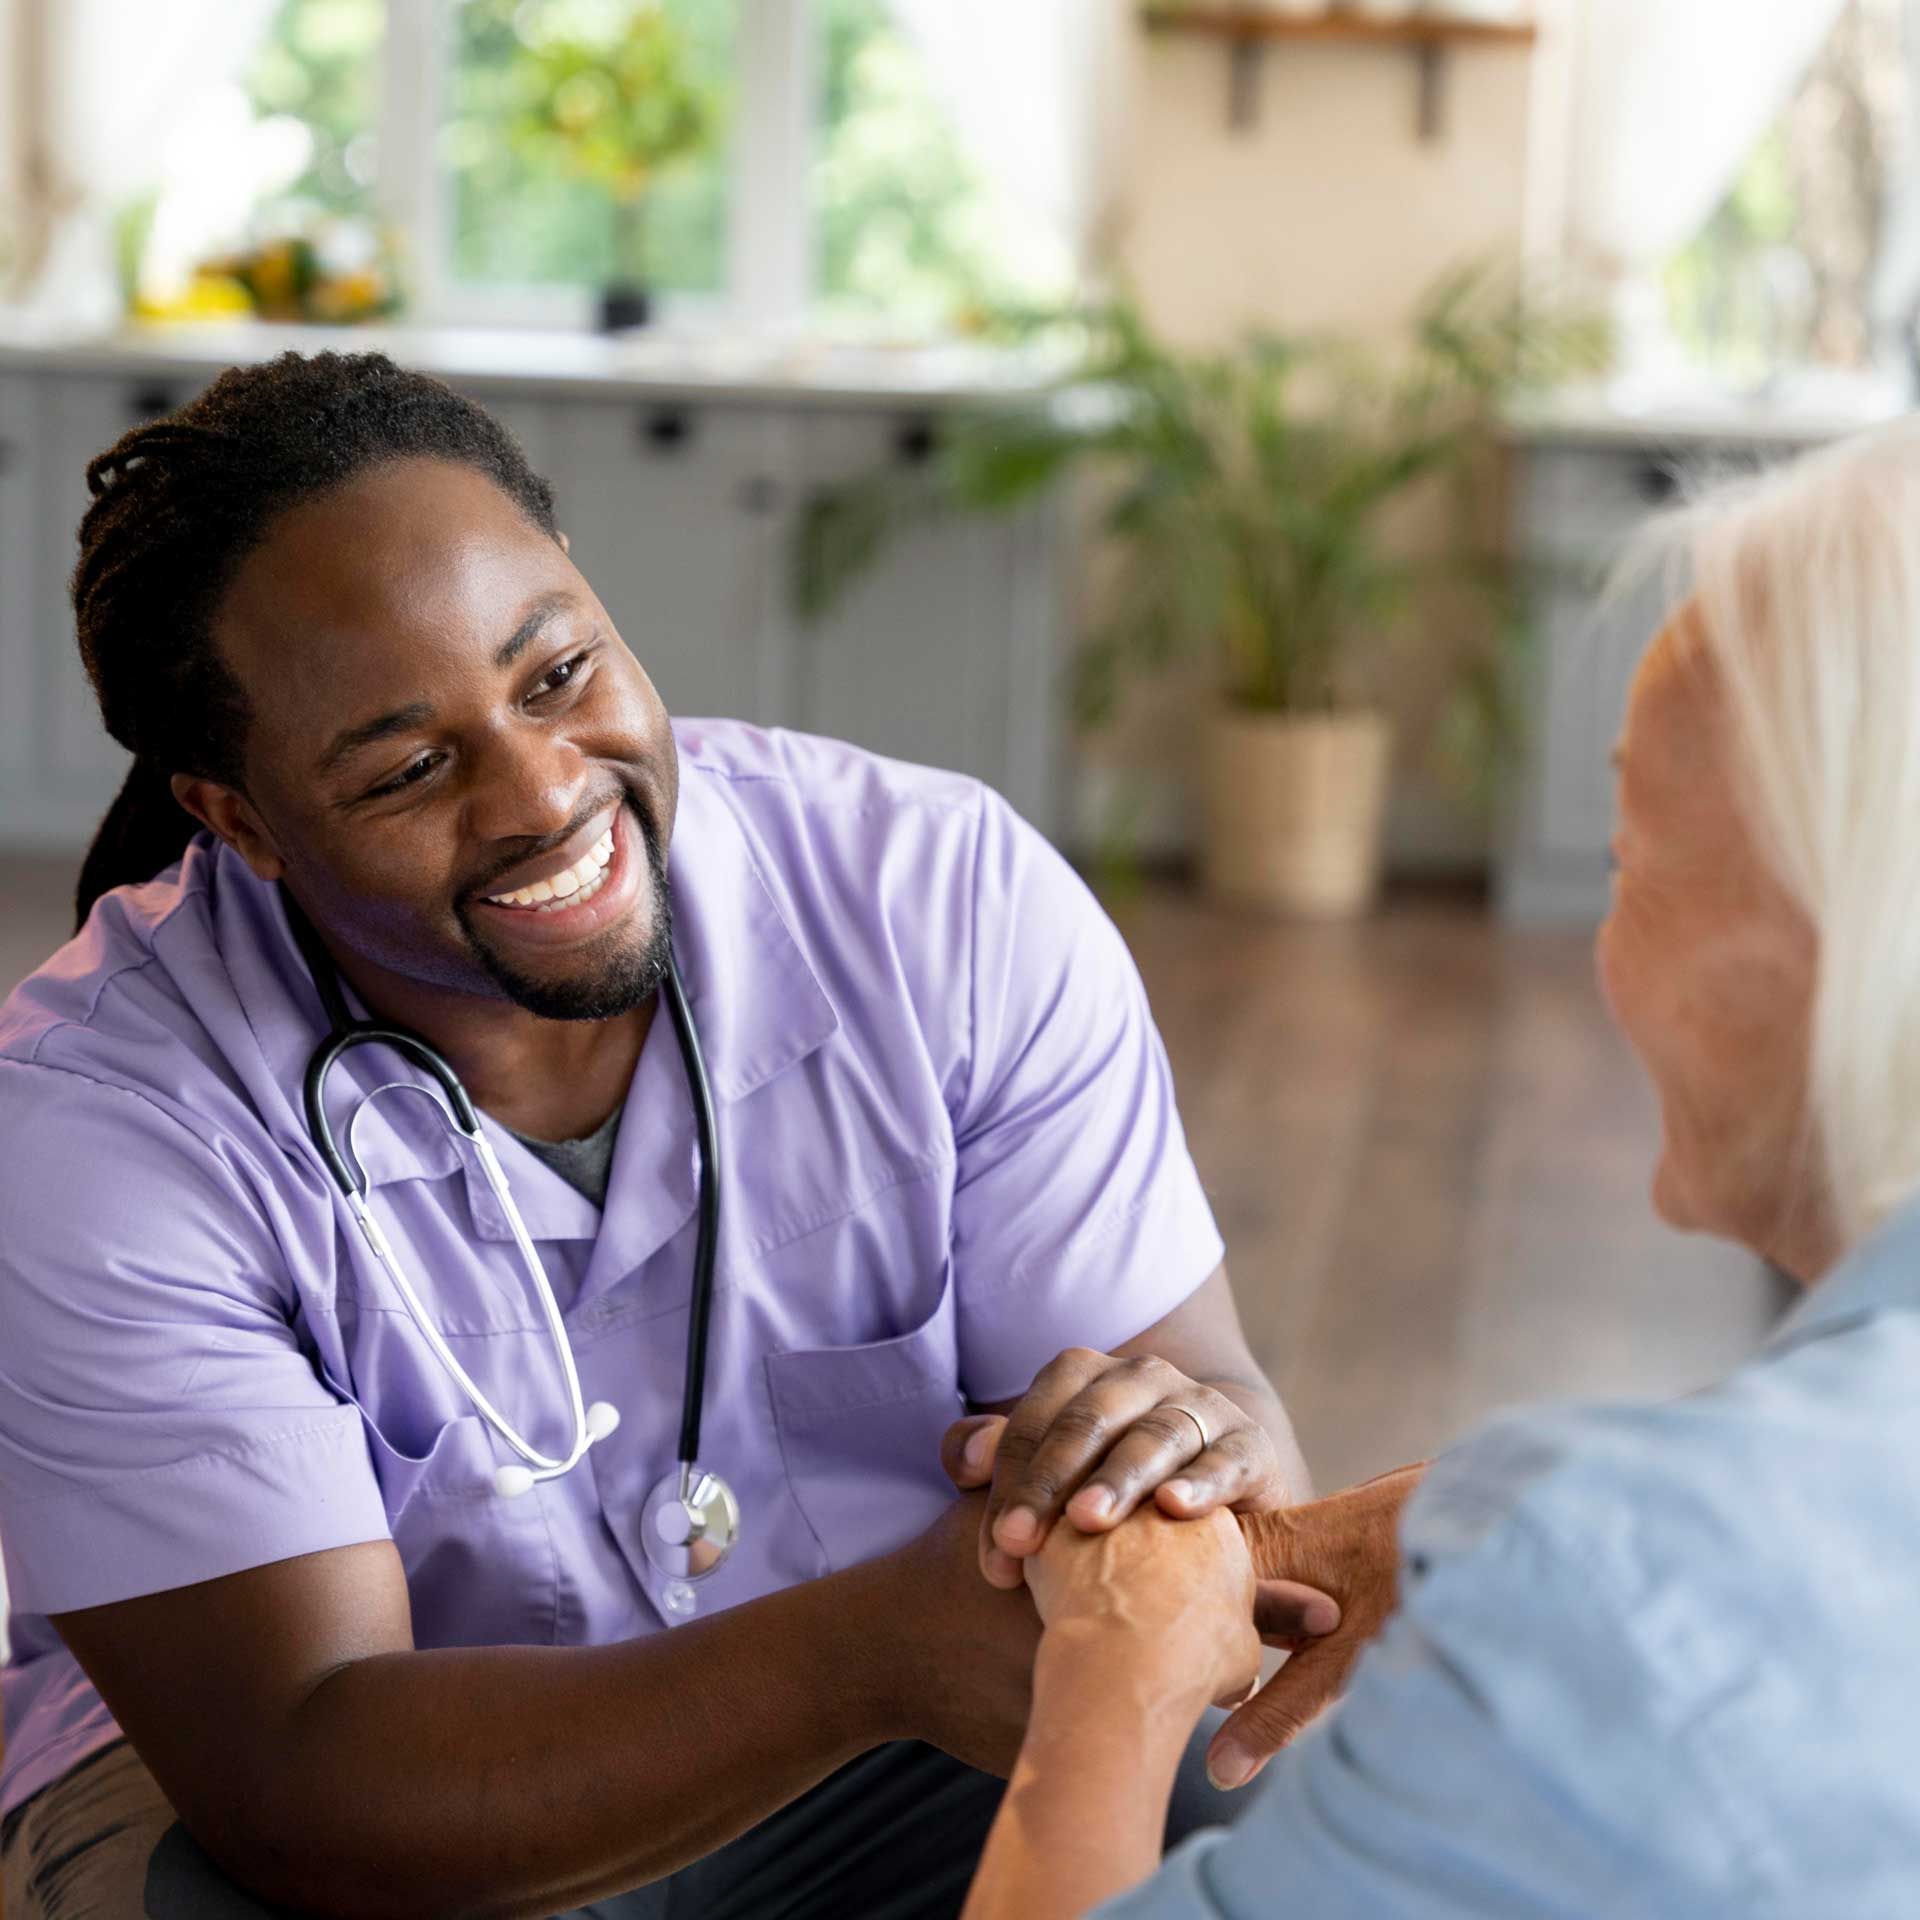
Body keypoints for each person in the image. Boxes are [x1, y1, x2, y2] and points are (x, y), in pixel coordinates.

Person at [0, 350, 1326, 1919]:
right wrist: (875, 1651)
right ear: (240, 822)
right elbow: (302, 1772)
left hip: (890, 1744)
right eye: (412, 768)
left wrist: (1191, 1457)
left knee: (1258, 1812)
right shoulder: (97, 1128)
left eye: (558, 674)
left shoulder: (937, 899)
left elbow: (1208, 1428)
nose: (546, 794)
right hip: (366, 1808)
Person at [954, 416, 1920, 1918]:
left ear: (1824, 942)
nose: (1605, 951)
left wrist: (1112, 1674)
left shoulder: (1638, 1594)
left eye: (1632, 864)